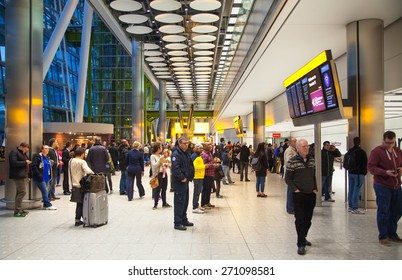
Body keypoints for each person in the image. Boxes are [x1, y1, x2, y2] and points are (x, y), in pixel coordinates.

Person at [368, 130, 402, 246]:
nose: (390, 145)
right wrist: (385, 172)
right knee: (383, 211)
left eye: (392, 143)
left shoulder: (398, 151)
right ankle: (383, 235)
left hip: (397, 185)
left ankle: (392, 233)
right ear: (383, 140)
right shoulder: (376, 152)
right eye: (387, 143)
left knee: (397, 210)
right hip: (382, 186)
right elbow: (371, 167)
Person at [285, 139, 317, 255]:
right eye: (304, 146)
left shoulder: (311, 160)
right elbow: (287, 178)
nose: (306, 148)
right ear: (298, 148)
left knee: (308, 220)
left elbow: (313, 174)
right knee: (300, 220)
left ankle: (303, 237)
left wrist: (315, 187)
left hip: (310, 194)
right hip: (299, 195)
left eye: (307, 146)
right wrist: (296, 189)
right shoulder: (292, 161)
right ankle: (301, 244)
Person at [171, 137, 195, 230]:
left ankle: (184, 219)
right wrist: (182, 177)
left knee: (185, 201)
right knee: (179, 202)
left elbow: (189, 165)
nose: (186, 145)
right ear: (179, 144)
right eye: (185, 143)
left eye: (187, 143)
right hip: (180, 182)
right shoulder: (176, 154)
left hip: (186, 181)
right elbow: (175, 168)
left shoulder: (186, 153)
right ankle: (177, 222)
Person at [68, 147, 94, 226]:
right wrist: (94, 174)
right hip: (81, 185)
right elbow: (88, 171)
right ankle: (79, 219)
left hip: (73, 184)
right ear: (82, 154)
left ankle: (78, 219)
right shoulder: (82, 162)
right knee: (82, 203)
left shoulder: (71, 161)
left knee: (79, 203)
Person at [8, 142, 31, 217]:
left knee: (19, 192)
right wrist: (25, 162)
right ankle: (17, 211)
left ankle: (19, 209)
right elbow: (13, 163)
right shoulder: (14, 152)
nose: (25, 151)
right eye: (25, 149)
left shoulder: (22, 153)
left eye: (26, 150)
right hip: (18, 175)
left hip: (23, 175)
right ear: (20, 146)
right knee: (22, 192)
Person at [31, 145, 57, 210]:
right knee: (44, 191)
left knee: (46, 190)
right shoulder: (38, 157)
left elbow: (49, 165)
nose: (46, 150)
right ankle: (48, 205)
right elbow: (34, 166)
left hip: (47, 177)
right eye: (45, 148)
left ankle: (46, 204)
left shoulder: (47, 158)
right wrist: (38, 174)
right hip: (40, 178)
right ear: (42, 149)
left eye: (47, 149)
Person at [346, 137, 368, 214]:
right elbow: (365, 163)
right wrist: (364, 172)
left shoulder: (350, 151)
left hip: (351, 172)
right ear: (360, 142)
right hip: (359, 173)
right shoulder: (361, 152)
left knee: (351, 188)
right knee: (357, 189)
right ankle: (355, 207)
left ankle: (350, 206)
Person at [150, 144, 171, 209]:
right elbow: (154, 165)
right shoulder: (153, 156)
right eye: (161, 147)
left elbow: (165, 164)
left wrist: (167, 164)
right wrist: (160, 160)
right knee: (158, 189)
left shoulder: (161, 156)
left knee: (164, 189)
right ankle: (155, 204)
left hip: (164, 173)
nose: (162, 148)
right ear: (158, 148)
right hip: (158, 174)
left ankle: (164, 202)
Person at [284, 137, 298, 214]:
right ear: (291, 142)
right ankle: (290, 208)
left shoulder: (294, 150)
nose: (296, 143)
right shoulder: (289, 150)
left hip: (295, 174)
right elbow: (289, 160)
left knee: (293, 191)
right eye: (295, 141)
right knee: (291, 191)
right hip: (291, 174)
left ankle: (292, 207)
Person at [201, 142, 216, 209]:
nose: (211, 146)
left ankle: (207, 202)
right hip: (206, 174)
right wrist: (212, 165)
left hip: (211, 174)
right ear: (205, 146)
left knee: (209, 189)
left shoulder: (209, 153)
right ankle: (203, 203)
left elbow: (210, 162)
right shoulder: (204, 154)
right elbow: (203, 165)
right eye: (209, 145)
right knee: (205, 189)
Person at [191, 143, 205, 214]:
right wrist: (204, 166)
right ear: (196, 148)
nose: (201, 150)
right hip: (197, 176)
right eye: (200, 148)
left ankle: (197, 204)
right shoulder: (195, 156)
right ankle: (195, 207)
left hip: (200, 176)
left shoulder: (198, 156)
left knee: (199, 191)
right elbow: (195, 167)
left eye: (202, 148)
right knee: (196, 192)